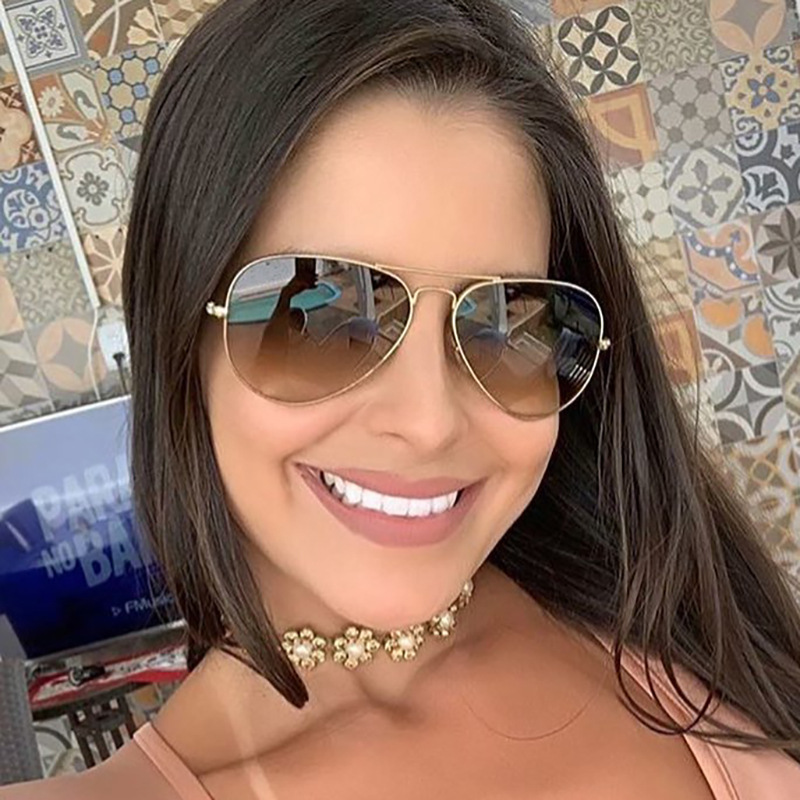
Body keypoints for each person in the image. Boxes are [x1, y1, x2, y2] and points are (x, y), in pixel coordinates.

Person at [3, 0, 800, 797]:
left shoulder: (664, 602)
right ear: (182, 336)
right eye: (318, 316)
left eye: (506, 321)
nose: (429, 421)